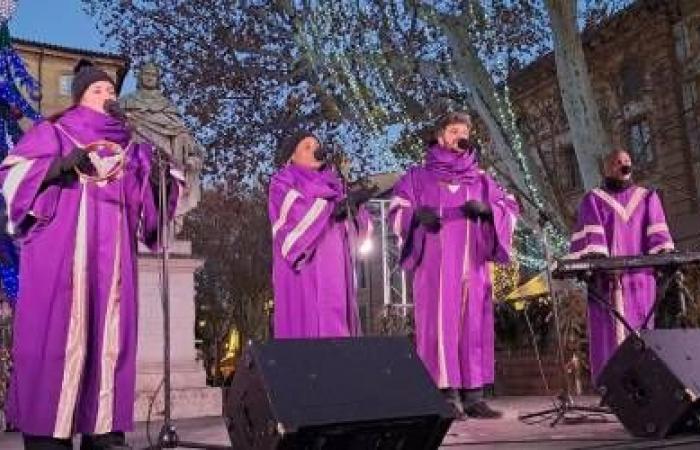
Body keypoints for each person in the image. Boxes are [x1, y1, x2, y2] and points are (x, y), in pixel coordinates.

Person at [0, 59, 182, 449]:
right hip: (60, 260)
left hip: (112, 265)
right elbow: (11, 175)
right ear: (81, 95)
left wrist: (156, 180)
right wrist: (56, 168)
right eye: (99, 90)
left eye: (112, 91)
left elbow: (152, 210)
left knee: (107, 344)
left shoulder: (132, 146)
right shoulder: (55, 131)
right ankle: (49, 433)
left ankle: (102, 431)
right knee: (56, 343)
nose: (108, 96)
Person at [389, 112, 519, 419]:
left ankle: (474, 395)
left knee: (474, 324)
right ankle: (445, 394)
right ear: (440, 136)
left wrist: (489, 211)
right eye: (453, 130)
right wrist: (416, 217)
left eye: (464, 130)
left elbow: (509, 207)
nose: (460, 135)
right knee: (438, 326)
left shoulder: (481, 179)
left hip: (472, 266)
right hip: (435, 270)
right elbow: (398, 210)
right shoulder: (417, 177)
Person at [569, 149, 674, 381]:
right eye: (618, 162)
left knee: (642, 334)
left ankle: (645, 390)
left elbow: (659, 238)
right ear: (607, 168)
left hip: (640, 283)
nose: (624, 165)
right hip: (607, 284)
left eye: (627, 161)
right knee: (608, 336)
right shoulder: (593, 200)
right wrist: (597, 260)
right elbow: (591, 244)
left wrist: (665, 253)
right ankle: (612, 390)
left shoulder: (647, 197)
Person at [269, 131, 371, 338]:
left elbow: (358, 238)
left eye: (316, 145)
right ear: (291, 157)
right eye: (307, 147)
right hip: (305, 272)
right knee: (309, 330)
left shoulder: (336, 185)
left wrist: (355, 209)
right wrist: (330, 210)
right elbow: (291, 220)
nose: (315, 149)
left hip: (337, 273)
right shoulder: (283, 182)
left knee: (339, 328)